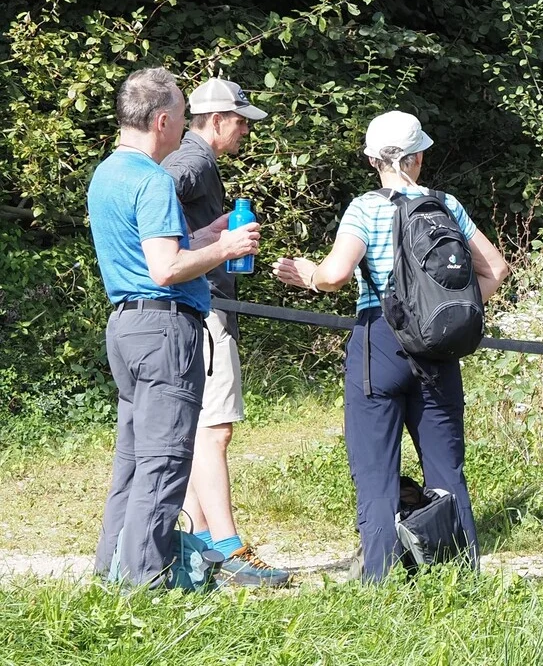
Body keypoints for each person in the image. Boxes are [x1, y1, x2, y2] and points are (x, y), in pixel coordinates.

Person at [272, 111, 508, 581]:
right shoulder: (446, 205)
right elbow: (496, 270)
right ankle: (459, 574)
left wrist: (310, 274)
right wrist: (448, 309)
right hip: (437, 346)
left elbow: (337, 274)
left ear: (370, 159)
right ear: (419, 157)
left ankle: (379, 581)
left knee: (376, 468)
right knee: (447, 467)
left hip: (380, 340)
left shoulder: (365, 207)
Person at [89, 68, 261, 587]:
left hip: (125, 326)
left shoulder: (108, 174)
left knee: (133, 462)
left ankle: (111, 570)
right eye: (183, 117)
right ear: (162, 120)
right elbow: (165, 269)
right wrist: (225, 247)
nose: (186, 127)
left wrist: (197, 233)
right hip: (165, 330)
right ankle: (147, 584)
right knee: (165, 463)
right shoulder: (153, 180)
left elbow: (146, 250)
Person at [159, 77, 288, 587]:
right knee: (216, 430)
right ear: (215, 121)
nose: (244, 133)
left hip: (199, 307)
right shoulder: (193, 161)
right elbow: (152, 197)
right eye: (240, 123)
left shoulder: (196, 159)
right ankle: (231, 550)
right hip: (207, 310)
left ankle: (202, 542)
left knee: (198, 433)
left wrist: (199, 237)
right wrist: (189, 246)